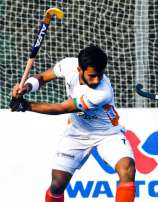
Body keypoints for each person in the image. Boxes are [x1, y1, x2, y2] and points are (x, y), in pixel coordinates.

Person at [9, 45, 136, 202]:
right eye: (92, 76)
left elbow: (60, 108)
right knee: (57, 184)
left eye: (100, 75)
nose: (97, 80)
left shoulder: (102, 93)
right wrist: (26, 88)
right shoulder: (68, 65)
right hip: (77, 133)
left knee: (127, 169)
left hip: (108, 134)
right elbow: (42, 78)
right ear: (79, 69)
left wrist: (26, 105)